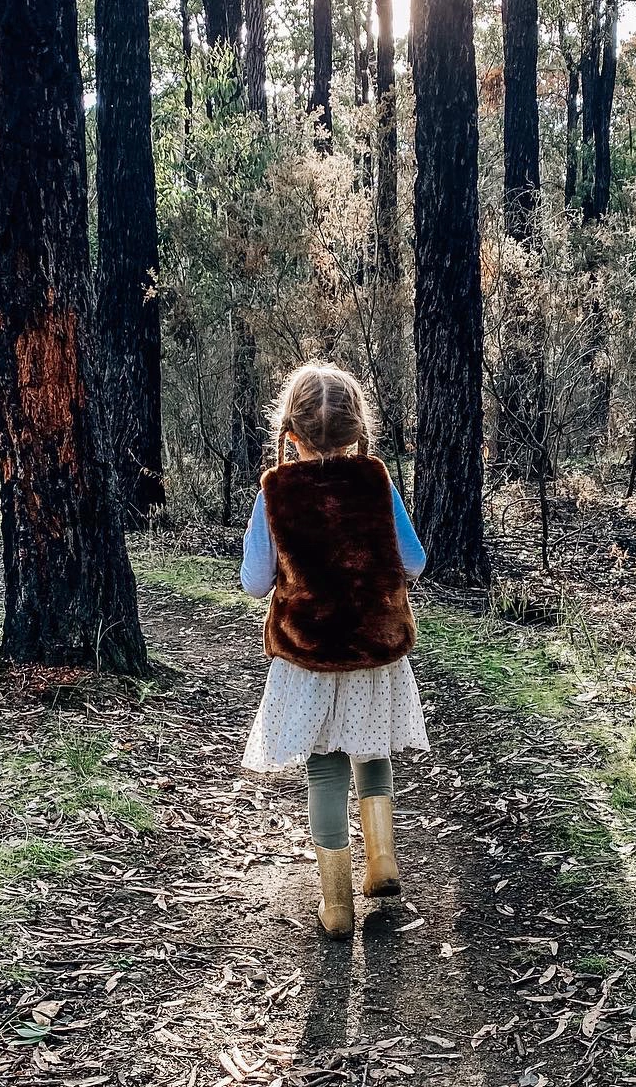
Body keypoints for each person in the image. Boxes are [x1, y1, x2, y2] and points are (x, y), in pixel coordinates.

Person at [240, 362, 429, 939]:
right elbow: (415, 562)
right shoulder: (377, 484)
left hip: (309, 657)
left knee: (325, 769)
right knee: (373, 753)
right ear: (358, 432)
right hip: (375, 651)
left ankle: (337, 903)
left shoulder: (275, 495)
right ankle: (383, 864)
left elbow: (253, 580)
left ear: (289, 435)